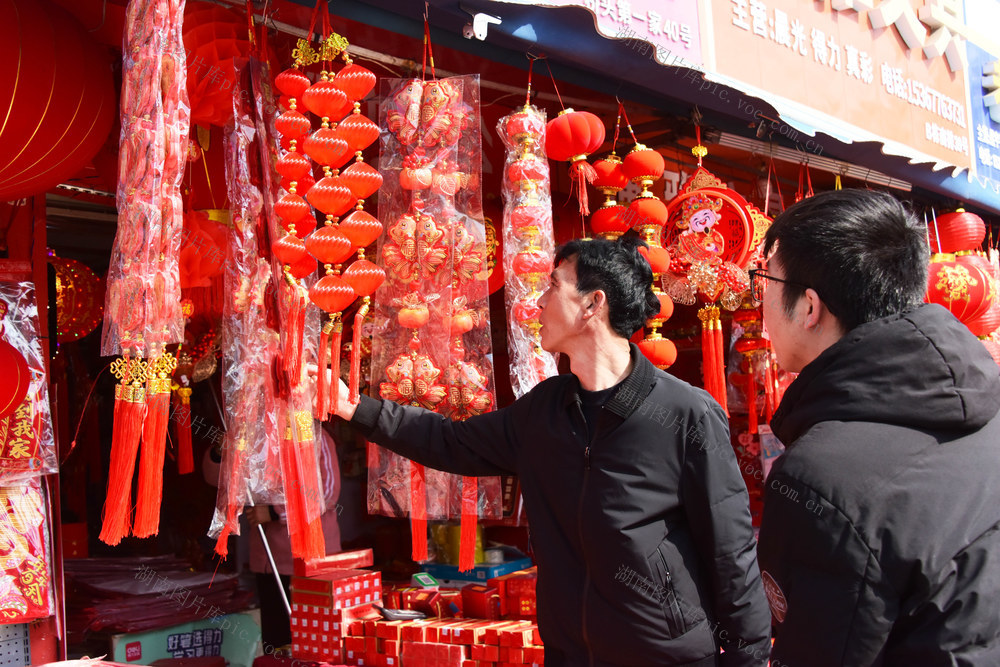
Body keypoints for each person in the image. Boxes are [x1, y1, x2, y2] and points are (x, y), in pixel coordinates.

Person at [332, 235, 771, 667]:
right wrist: (353, 408)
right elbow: (450, 441)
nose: (538, 303)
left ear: (591, 305)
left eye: (553, 285)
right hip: (569, 653)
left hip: (665, 657)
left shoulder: (685, 412)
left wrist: (747, 660)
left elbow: (730, 554)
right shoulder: (544, 410)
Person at [753, 188, 1000, 665]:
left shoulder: (820, 479)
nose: (759, 303)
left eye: (763, 280)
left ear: (809, 307)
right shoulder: (985, 401)